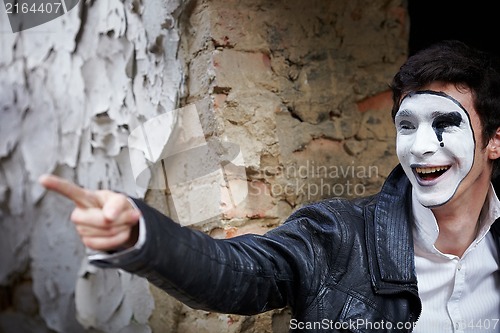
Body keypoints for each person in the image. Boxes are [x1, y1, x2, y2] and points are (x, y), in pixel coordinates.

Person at [40, 40, 500, 332]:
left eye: (444, 124)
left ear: (494, 141)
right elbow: (243, 271)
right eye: (407, 125)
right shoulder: (337, 235)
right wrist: (142, 236)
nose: (421, 147)